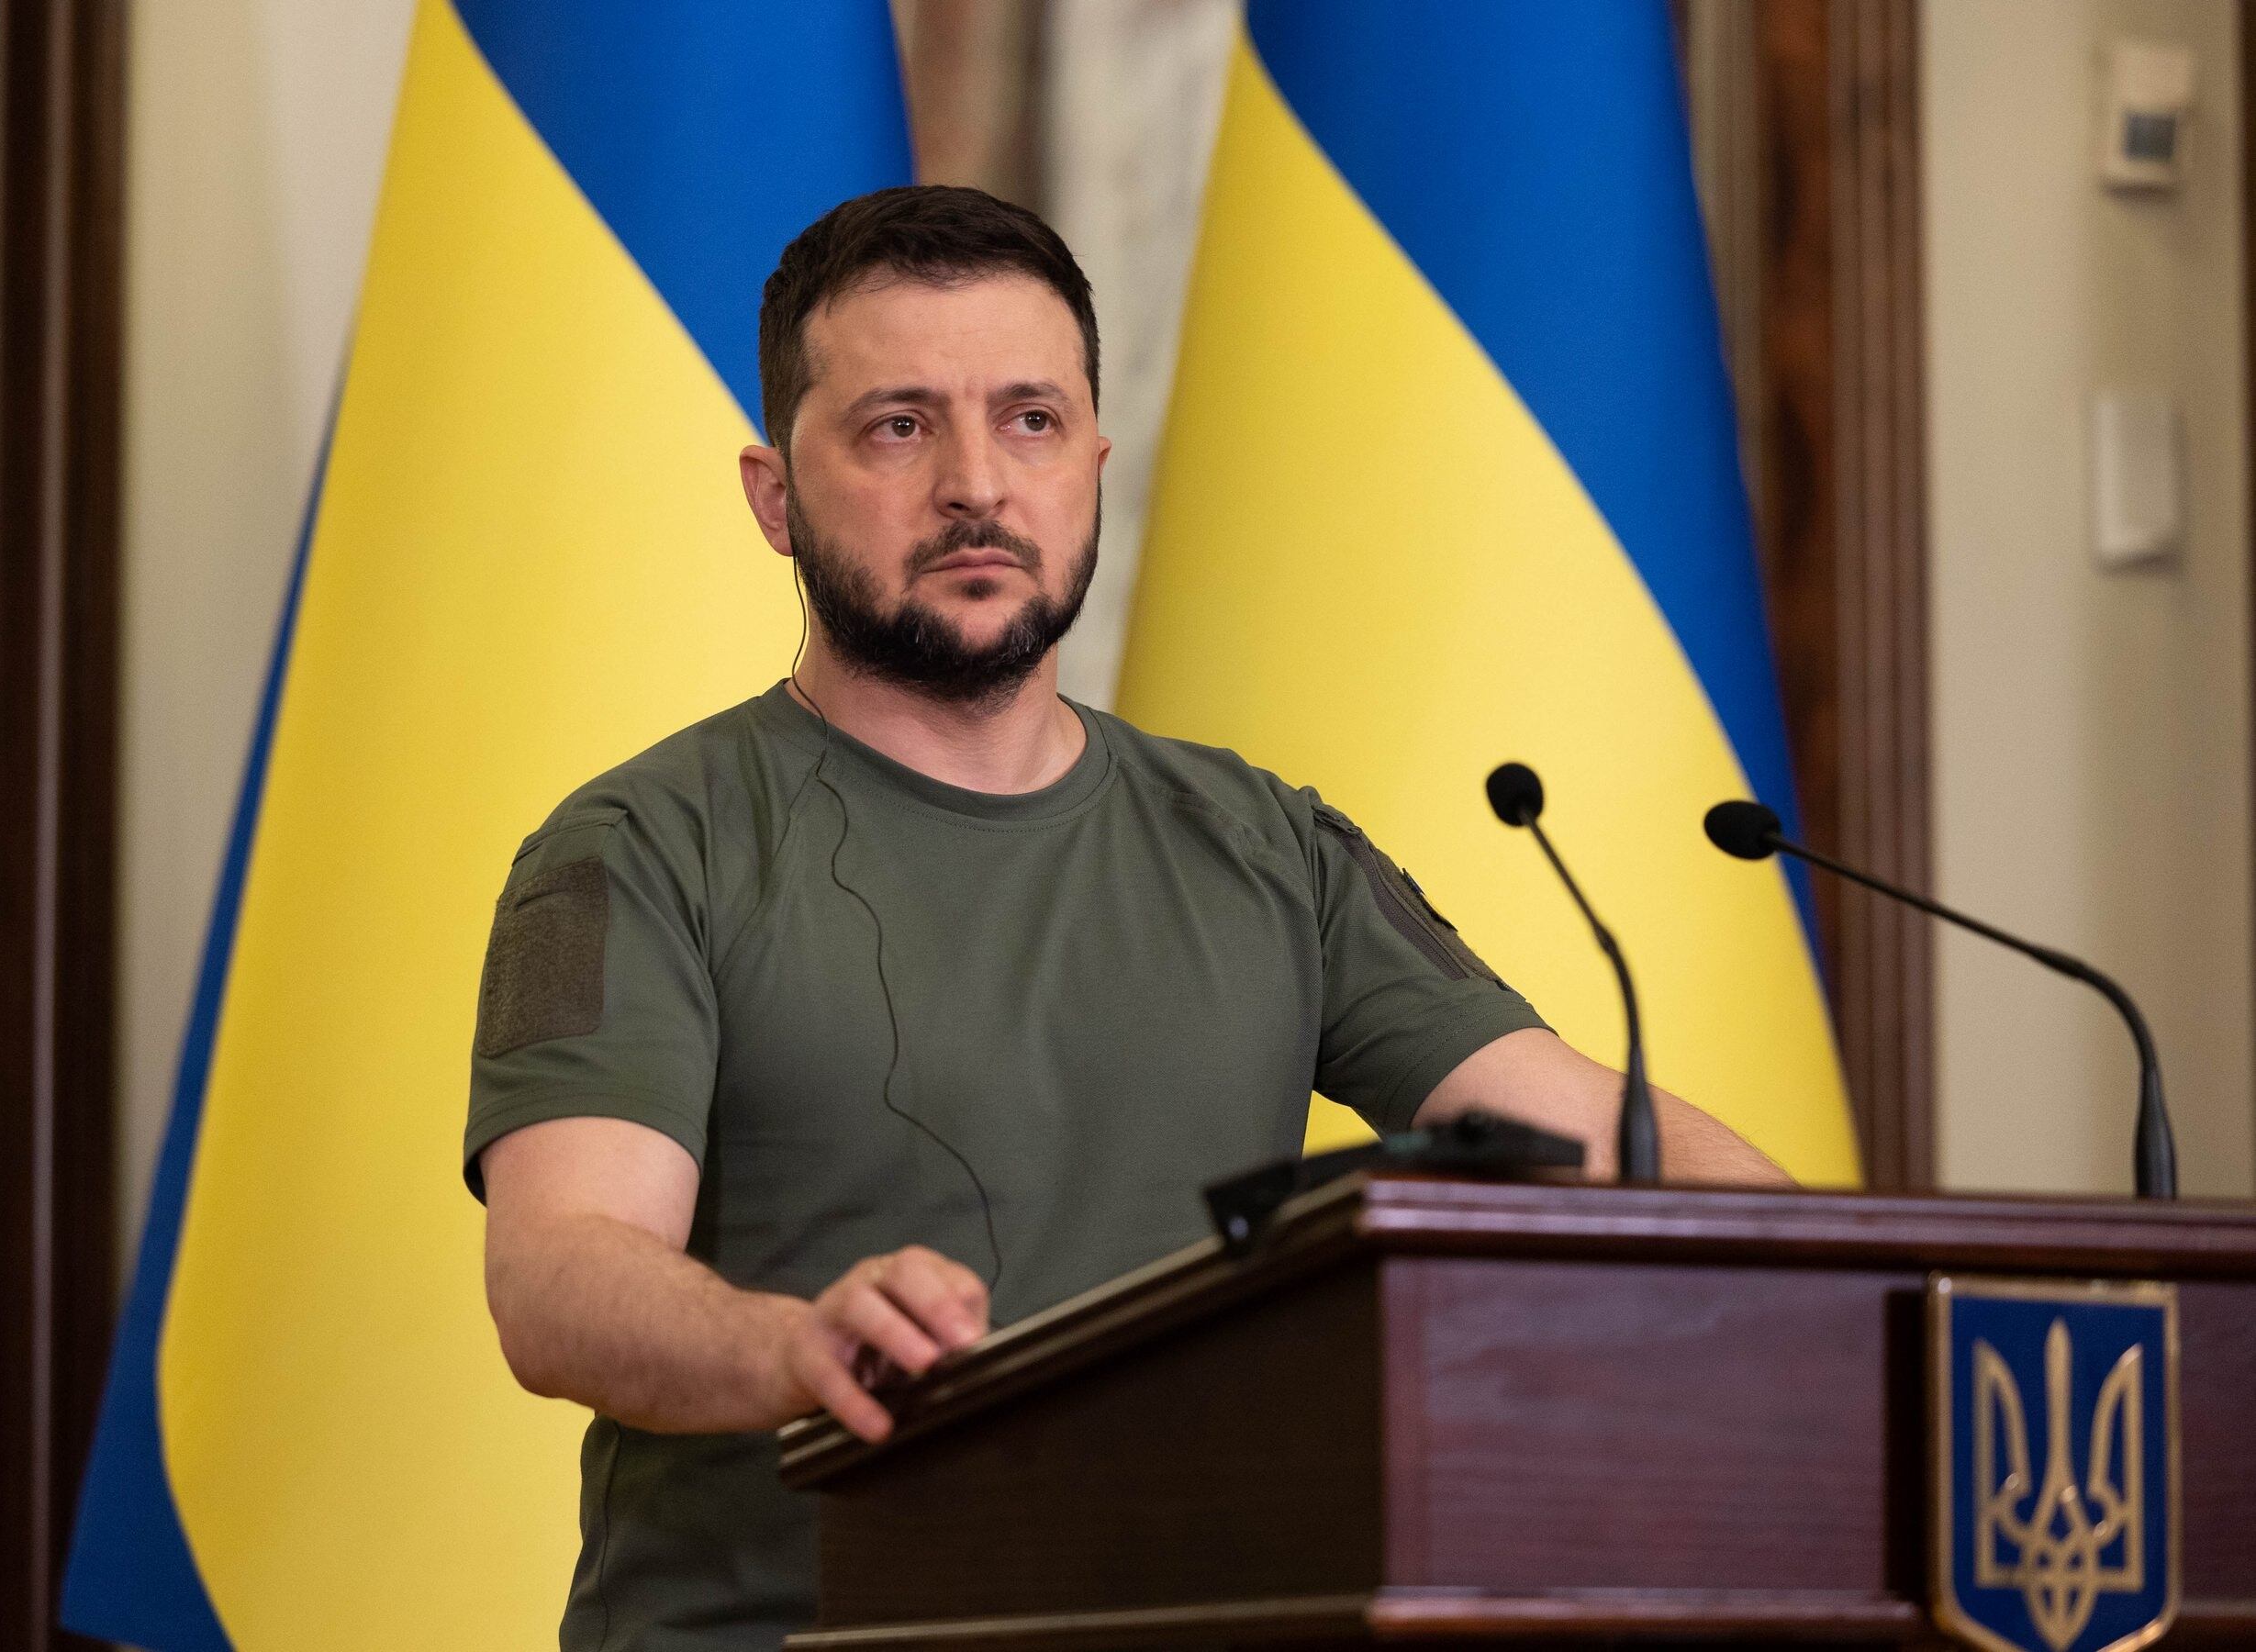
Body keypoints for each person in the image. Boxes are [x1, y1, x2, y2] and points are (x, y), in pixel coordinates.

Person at [466, 184, 1787, 1652]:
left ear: (1094, 463)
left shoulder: (1267, 846)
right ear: (775, 495)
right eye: (899, 427)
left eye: (1031, 420)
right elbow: (557, 1276)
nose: (977, 484)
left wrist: (1865, 1305)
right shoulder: (635, 848)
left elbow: (1616, 1145)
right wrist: (794, 1346)